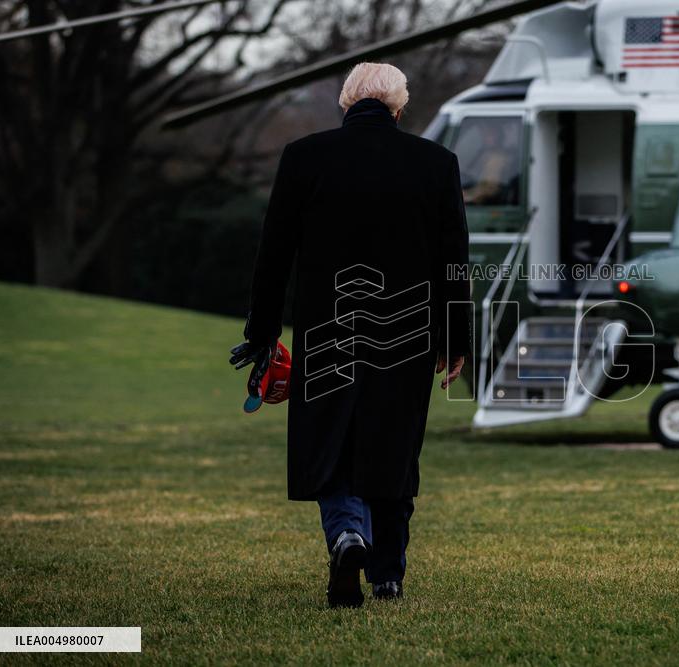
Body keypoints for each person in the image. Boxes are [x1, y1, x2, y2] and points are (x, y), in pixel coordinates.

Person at [228, 62, 471, 608]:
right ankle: (387, 576)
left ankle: (346, 535)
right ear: (399, 108)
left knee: (330, 441)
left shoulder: (304, 157)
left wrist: (262, 332)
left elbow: (274, 256)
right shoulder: (436, 162)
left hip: (327, 328)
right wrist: (456, 339)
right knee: (393, 446)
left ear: (345, 103)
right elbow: (454, 259)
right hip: (408, 331)